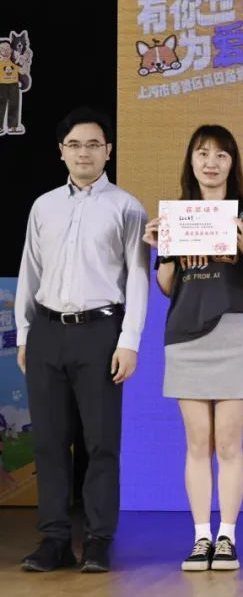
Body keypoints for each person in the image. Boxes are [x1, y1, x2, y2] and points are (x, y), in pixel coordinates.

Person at [15, 107, 149, 572]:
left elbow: (138, 278)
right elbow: (30, 271)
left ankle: (96, 540)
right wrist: (26, 333)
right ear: (61, 152)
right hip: (47, 331)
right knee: (49, 442)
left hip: (100, 332)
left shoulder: (127, 207)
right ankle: (53, 539)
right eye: (74, 145)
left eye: (93, 144)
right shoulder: (44, 206)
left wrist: (129, 340)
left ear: (108, 150)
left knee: (101, 442)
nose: (84, 153)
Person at [142, 125, 243, 572]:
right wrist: (161, 251)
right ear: (191, 161)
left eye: (221, 154)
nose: (211, 163)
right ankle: (201, 537)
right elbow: (166, 287)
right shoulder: (176, 215)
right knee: (198, 442)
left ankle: (227, 537)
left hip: (236, 329)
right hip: (185, 332)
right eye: (203, 153)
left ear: (233, 163)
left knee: (229, 443)